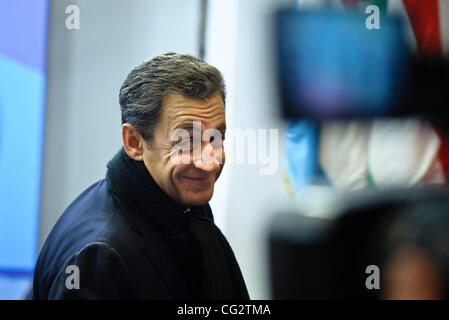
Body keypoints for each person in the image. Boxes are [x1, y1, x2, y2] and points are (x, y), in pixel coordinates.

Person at [33, 52, 249, 300]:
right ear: (134, 142)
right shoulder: (99, 257)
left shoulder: (185, 207)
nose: (210, 162)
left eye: (215, 138)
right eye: (187, 141)